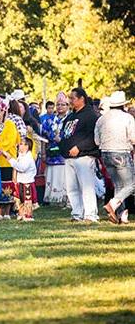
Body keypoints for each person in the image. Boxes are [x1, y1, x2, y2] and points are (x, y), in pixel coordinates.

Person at [58, 87, 100, 223]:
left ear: (82, 99)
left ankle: (90, 214)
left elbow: (94, 136)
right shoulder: (70, 116)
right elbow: (66, 134)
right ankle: (77, 213)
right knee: (72, 188)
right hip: (69, 157)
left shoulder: (90, 115)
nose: (70, 101)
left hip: (84, 156)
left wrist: (79, 147)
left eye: (72, 98)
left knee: (86, 186)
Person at [95, 91, 135, 224]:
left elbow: (96, 140)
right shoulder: (127, 118)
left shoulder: (102, 119)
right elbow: (133, 138)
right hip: (122, 152)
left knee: (119, 185)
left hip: (105, 153)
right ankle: (112, 204)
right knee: (131, 184)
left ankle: (121, 215)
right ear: (123, 104)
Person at [0, 97, 21, 221]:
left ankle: (6, 212)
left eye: (0, 111)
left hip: (7, 160)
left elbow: (10, 141)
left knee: (7, 186)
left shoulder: (10, 124)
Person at [42, 92, 69, 206]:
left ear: (68, 106)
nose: (60, 107)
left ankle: (64, 198)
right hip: (52, 152)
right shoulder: (49, 120)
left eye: (63, 105)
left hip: (64, 153)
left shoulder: (70, 119)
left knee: (63, 176)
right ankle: (52, 198)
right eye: (58, 105)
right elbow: (43, 136)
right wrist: (43, 152)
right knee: (52, 174)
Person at [2, 138, 37, 221]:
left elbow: (21, 168)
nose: (19, 146)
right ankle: (21, 214)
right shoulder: (21, 156)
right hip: (20, 181)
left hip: (27, 182)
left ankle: (28, 215)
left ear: (27, 146)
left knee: (27, 199)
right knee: (20, 198)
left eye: (21, 144)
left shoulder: (28, 158)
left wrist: (10, 159)